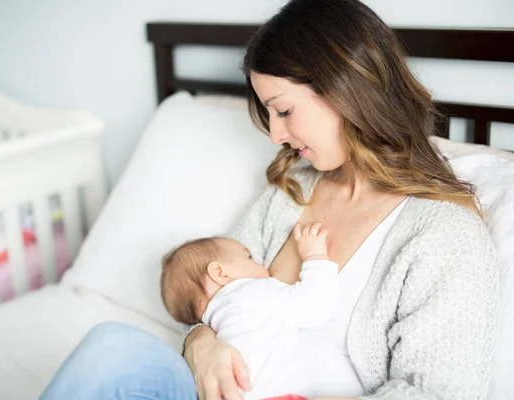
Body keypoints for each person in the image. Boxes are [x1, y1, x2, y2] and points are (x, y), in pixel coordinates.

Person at [40, 0, 499, 399]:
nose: (277, 134)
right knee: (110, 350)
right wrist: (201, 346)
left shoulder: (443, 235)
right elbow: (209, 295)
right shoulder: (292, 190)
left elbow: (441, 393)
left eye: (283, 110)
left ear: (346, 90)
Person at [160, 223, 341, 399]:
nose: (262, 264)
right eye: (249, 258)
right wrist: (315, 256)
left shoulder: (215, 322)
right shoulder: (248, 291)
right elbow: (312, 308)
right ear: (220, 273)